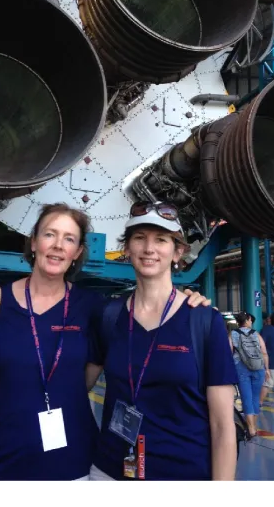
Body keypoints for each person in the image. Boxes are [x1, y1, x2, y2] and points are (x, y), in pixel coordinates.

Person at [0, 203, 211, 481]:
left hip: (74, 470)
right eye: (49, 235)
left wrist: (189, 302)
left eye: (69, 239)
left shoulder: (95, 309)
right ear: (33, 242)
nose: (58, 245)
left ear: (78, 252)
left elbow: (145, 332)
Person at [88, 202, 237, 481]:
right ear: (127, 248)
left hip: (182, 474)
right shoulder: (109, 315)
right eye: (139, 238)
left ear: (177, 252)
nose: (149, 249)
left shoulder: (204, 322)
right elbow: (75, 385)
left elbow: (222, 426)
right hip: (108, 472)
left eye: (161, 239)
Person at [231, 312, 269, 436]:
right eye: (250, 320)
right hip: (258, 367)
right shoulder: (256, 334)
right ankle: (254, 426)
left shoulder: (233, 334)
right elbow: (264, 353)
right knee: (255, 398)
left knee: (246, 398)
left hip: (241, 368)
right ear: (247, 320)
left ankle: (251, 428)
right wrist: (267, 369)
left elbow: (227, 353)